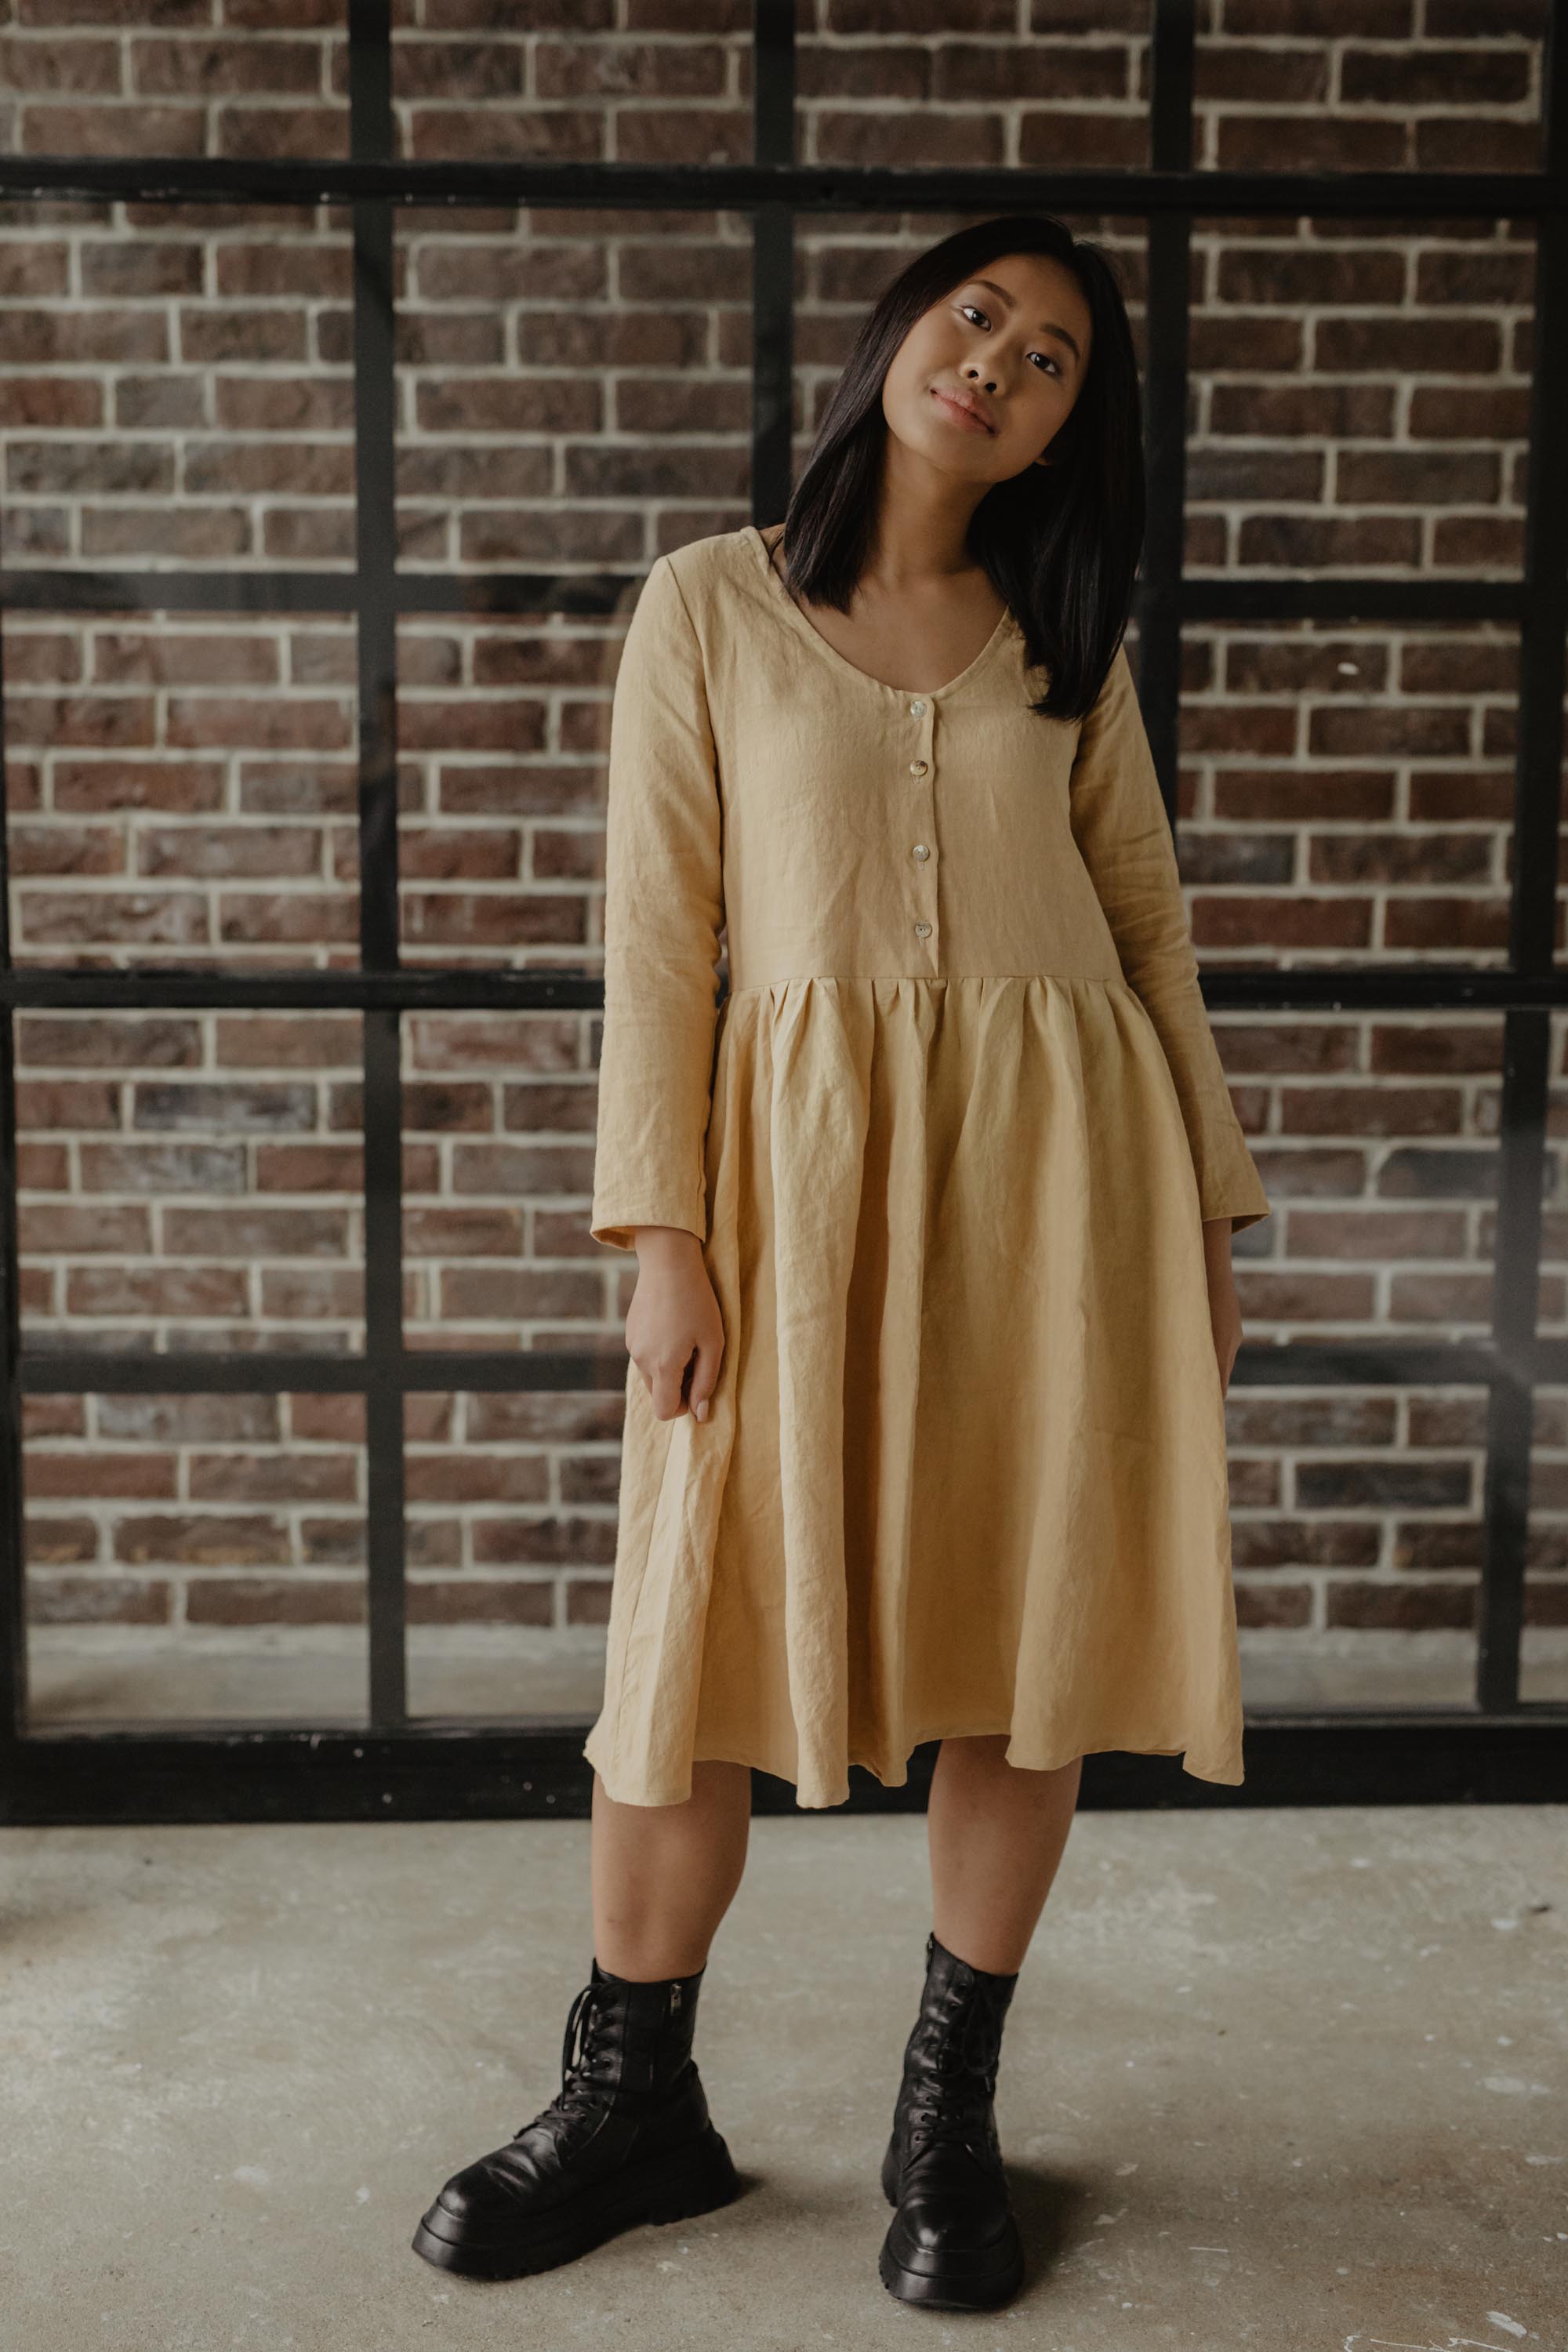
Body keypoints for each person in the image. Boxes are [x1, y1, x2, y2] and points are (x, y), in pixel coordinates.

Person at [412, 212, 1270, 2312]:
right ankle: (632, 2103)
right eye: (979, 313)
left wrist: (1214, 1215)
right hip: (788, 1199)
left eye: (1054, 355)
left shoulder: (1066, 625)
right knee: (692, 1653)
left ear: (1076, 428)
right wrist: (663, 1234)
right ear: (903, 328)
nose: (999, 360)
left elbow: (1147, 922)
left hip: (1070, 1190)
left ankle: (944, 2117)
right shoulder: (709, 602)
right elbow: (658, 943)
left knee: (1026, 1638)